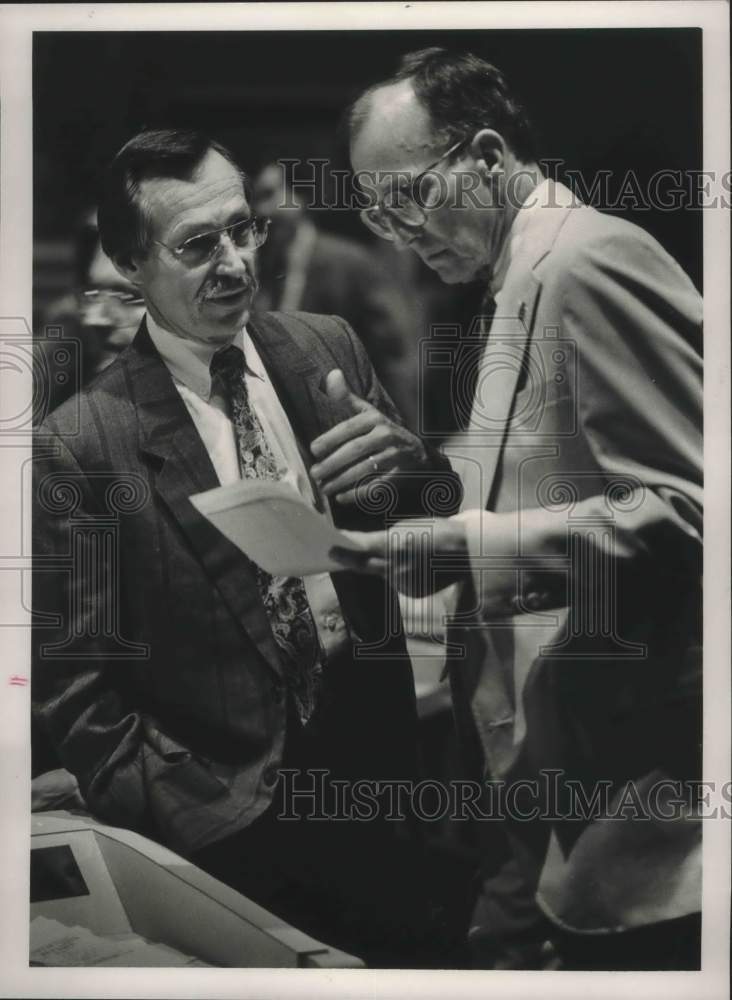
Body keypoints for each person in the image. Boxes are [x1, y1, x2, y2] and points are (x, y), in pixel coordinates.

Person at [31, 128, 470, 967]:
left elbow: (432, 524)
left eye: (243, 228)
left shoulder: (324, 347)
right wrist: (191, 814)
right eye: (197, 245)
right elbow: (78, 686)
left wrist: (417, 470)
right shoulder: (83, 443)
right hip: (227, 819)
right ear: (129, 265)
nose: (233, 263)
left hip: (376, 772)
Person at [336, 47, 703, 970]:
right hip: (550, 774)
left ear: (489, 156)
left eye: (409, 195)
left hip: (630, 784)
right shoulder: (516, 273)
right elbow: (561, 483)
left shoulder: (587, 258)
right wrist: (424, 471)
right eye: (376, 211)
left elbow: (693, 514)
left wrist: (467, 546)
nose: (397, 230)